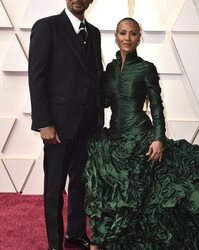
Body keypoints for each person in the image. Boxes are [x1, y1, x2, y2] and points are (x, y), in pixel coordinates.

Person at [84, 17, 199, 250]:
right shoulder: (109, 70)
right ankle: (104, 240)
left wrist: (158, 139)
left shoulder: (146, 68)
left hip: (142, 137)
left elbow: (157, 106)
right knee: (106, 184)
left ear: (139, 37)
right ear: (116, 36)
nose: (127, 38)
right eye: (123, 33)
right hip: (114, 139)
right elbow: (103, 101)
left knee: (155, 196)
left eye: (133, 34)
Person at [28, 0, 103, 249]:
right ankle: (54, 243)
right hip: (57, 126)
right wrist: (44, 122)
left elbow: (94, 75)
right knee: (54, 188)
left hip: (87, 124)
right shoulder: (47, 27)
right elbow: (36, 78)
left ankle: (75, 232)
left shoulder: (94, 33)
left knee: (81, 184)